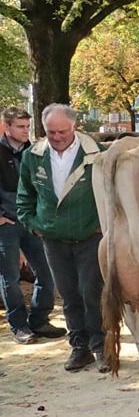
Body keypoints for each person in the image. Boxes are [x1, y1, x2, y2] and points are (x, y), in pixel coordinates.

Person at [16, 104, 107, 372]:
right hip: (53, 239)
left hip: (91, 236)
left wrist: (104, 226)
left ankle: (101, 346)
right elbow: (25, 196)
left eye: (62, 131)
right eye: (51, 132)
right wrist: (34, 225)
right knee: (68, 295)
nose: (57, 137)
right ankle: (79, 347)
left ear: (74, 126)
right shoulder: (33, 156)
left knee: (93, 292)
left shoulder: (96, 154)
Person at [0, 108, 60, 344]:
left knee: (46, 272)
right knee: (10, 278)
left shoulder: (34, 152)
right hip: (6, 225)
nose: (26, 131)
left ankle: (39, 319)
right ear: (7, 127)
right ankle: (19, 326)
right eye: (20, 127)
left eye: (27, 126)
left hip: (32, 222)